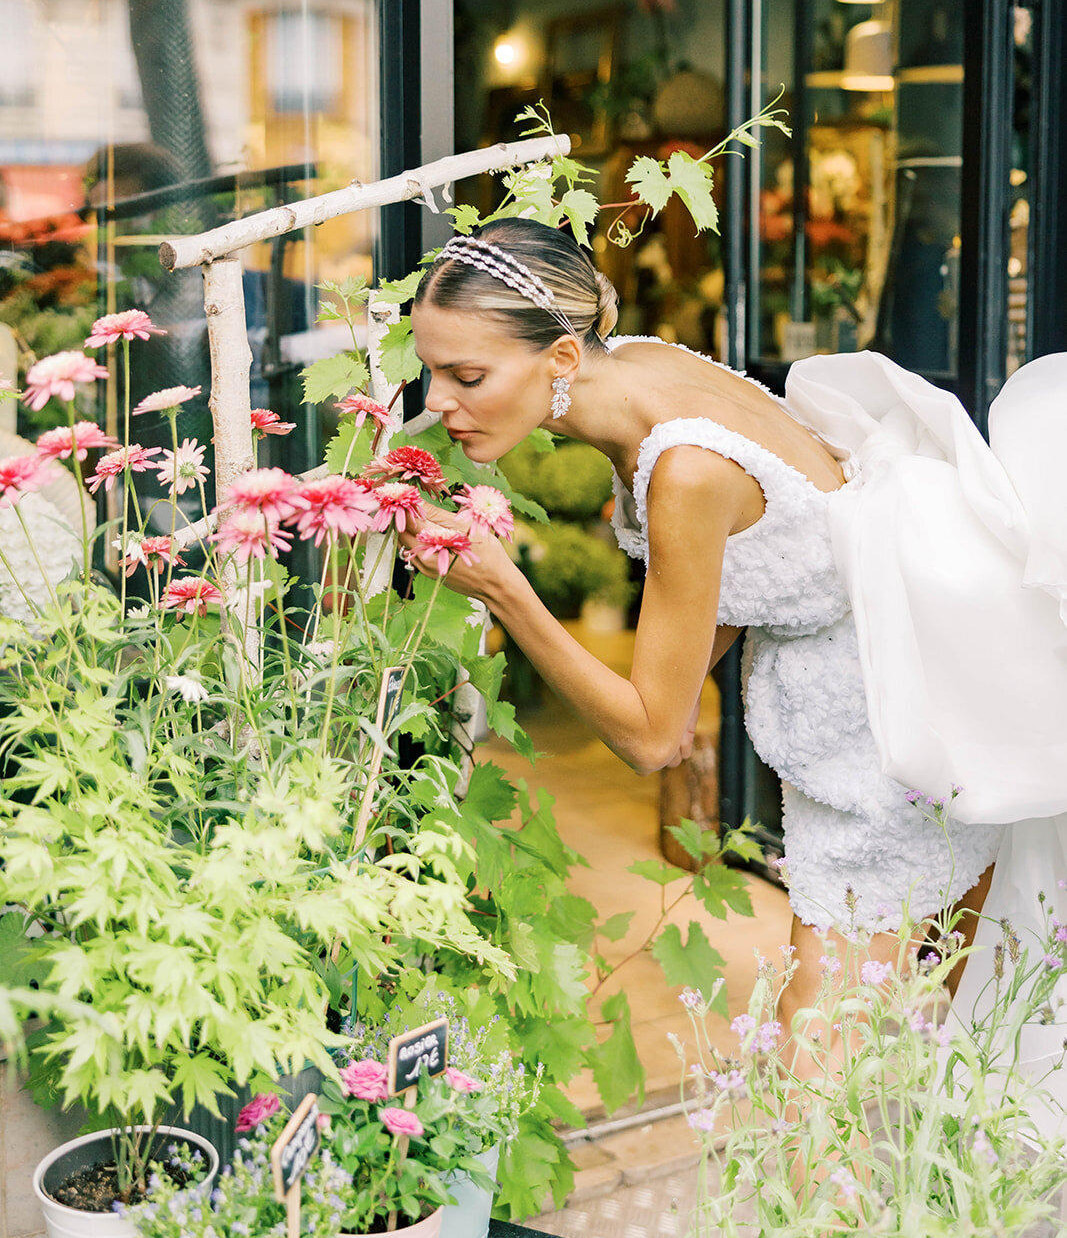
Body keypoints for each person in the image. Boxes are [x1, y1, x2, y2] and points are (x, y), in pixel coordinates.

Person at [403, 218, 1067, 1049]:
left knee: (821, 1043)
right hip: (919, 670)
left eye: (465, 374)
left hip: (884, 739)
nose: (435, 402)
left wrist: (503, 586)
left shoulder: (683, 468)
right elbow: (750, 574)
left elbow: (652, 738)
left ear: (563, 359)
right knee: (944, 1016)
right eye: (431, 370)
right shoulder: (642, 362)